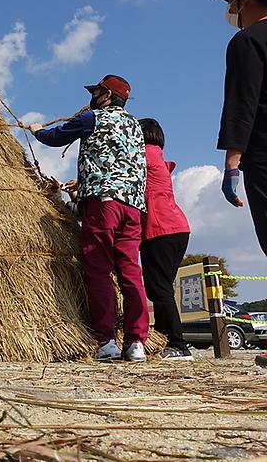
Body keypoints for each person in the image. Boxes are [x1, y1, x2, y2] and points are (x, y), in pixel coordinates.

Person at [29, 75, 149, 362]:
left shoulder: (93, 118)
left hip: (103, 203)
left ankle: (106, 340)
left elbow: (56, 137)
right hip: (133, 206)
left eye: (96, 91)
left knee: (98, 268)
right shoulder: (135, 125)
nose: (91, 96)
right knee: (131, 273)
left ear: (106, 95)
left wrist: (36, 131)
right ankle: (136, 343)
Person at [214, 0, 267, 255]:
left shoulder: (246, 41)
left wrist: (232, 165)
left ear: (245, 0)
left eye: (232, 2)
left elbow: (242, 104)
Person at [138, 119, 192, 361]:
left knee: (158, 287)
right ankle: (163, 336)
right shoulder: (157, 157)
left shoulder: (145, 156)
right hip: (177, 228)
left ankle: (178, 344)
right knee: (160, 286)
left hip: (160, 229)